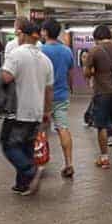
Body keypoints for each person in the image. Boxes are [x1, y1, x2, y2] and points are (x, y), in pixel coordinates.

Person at [0, 21, 53, 195]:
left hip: (18, 110)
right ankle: (22, 185)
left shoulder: (16, 54)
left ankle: (31, 171)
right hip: (36, 112)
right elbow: (48, 89)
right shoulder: (46, 60)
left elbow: (6, 77)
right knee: (26, 147)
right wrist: (47, 112)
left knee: (9, 145)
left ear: (23, 35)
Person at [85, 25, 112, 168]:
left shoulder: (94, 50)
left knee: (101, 126)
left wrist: (93, 72)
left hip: (101, 93)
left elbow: (86, 73)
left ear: (96, 37)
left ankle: (104, 158)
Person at [41, 19, 76, 178]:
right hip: (61, 95)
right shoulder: (67, 51)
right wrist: (70, 88)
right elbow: (70, 73)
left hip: (42, 98)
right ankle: (69, 163)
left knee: (41, 130)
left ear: (45, 32)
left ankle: (40, 162)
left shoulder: (41, 51)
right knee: (63, 128)